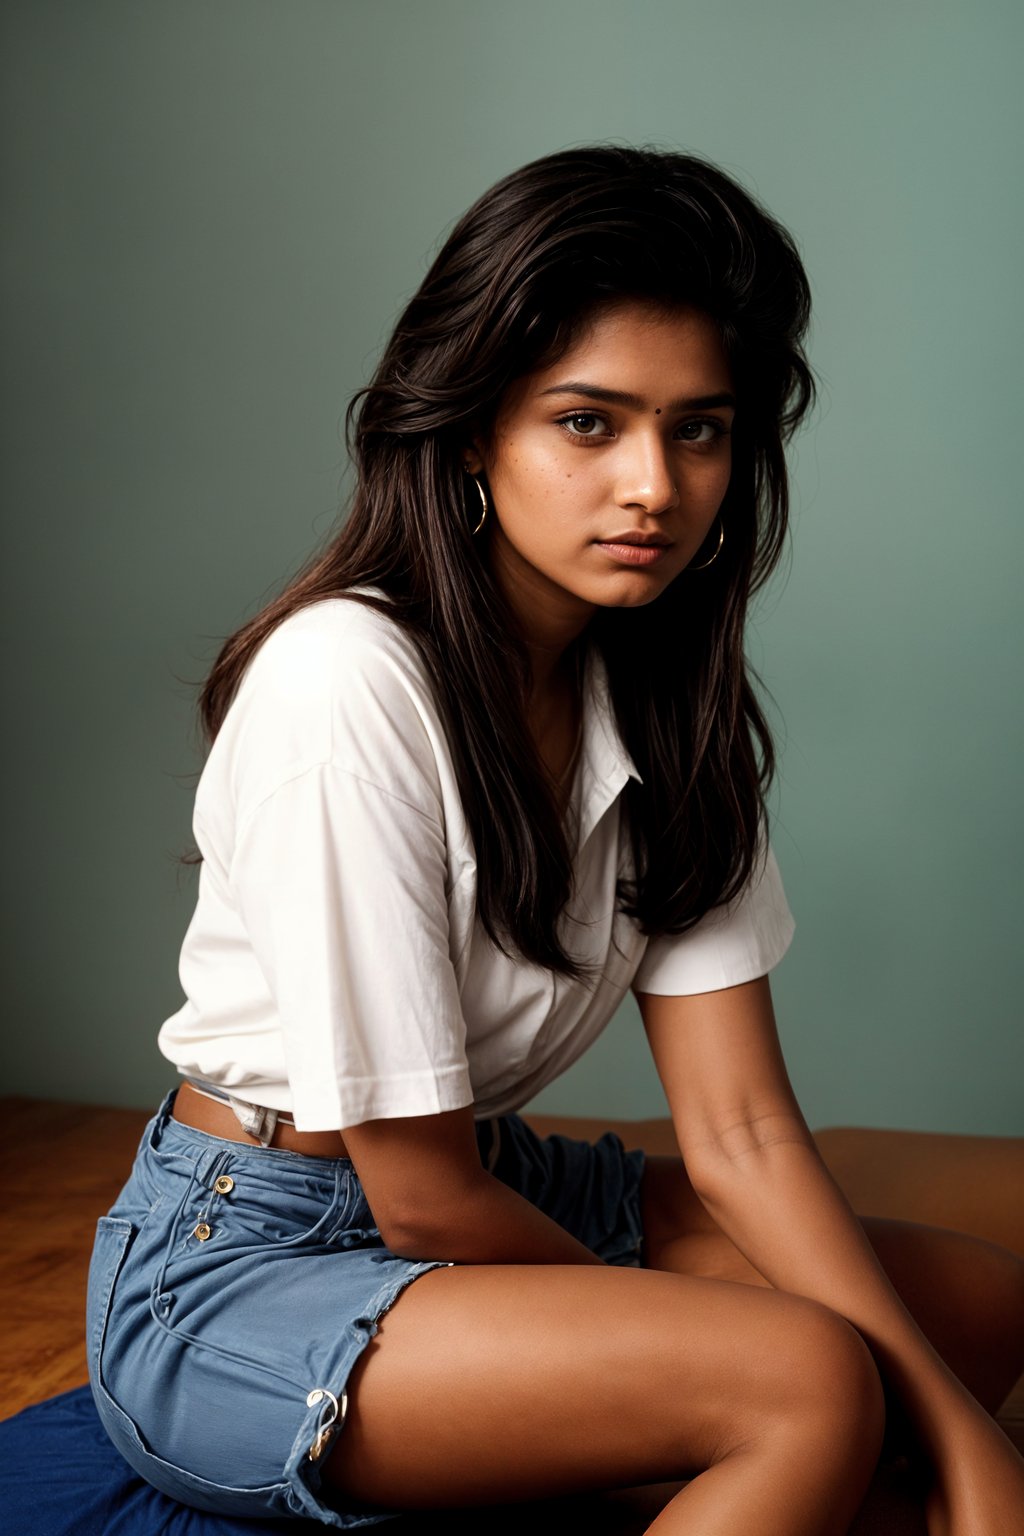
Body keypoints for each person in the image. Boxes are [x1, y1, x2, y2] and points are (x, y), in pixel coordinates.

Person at [86, 145, 1024, 1536]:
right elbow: (419, 1197)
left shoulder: (657, 697)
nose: (654, 484)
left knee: (979, 1311)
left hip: (500, 1186)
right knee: (811, 1382)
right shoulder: (345, 677)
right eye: (590, 423)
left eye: (698, 429)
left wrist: (964, 1444)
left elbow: (744, 1130)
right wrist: (793, 1381)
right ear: (473, 431)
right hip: (244, 1258)